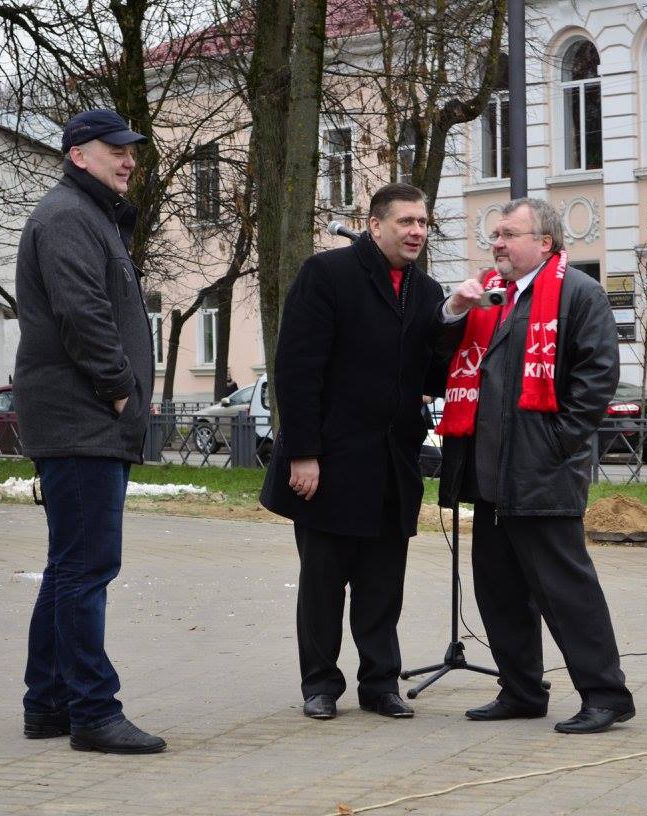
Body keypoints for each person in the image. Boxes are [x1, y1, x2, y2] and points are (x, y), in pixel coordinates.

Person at [438, 197, 635, 734]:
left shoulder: (579, 293)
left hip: (542, 472)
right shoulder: (490, 297)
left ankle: (605, 693)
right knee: (498, 589)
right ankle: (522, 689)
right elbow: (441, 368)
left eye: (508, 234)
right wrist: (455, 312)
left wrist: (556, 443)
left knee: (564, 590)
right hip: (489, 475)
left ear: (543, 243)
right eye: (495, 235)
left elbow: (596, 379)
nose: (496, 243)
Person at [261, 183, 450, 721]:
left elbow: (431, 374)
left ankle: (380, 684)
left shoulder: (427, 290)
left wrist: (453, 322)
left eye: (423, 222)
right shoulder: (328, 276)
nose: (417, 231)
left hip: (392, 463)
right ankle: (320, 685)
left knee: (383, 584)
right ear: (374, 225)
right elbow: (297, 371)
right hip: (329, 462)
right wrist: (302, 453)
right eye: (406, 221)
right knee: (324, 582)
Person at [14, 109, 165, 754]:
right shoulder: (69, 218)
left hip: (85, 418)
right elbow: (83, 314)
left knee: (68, 566)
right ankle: (93, 711)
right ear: (78, 154)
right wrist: (121, 389)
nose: (128, 160)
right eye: (114, 150)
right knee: (86, 567)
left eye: (131, 150)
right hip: (83, 417)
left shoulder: (88, 217)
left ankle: (48, 704)